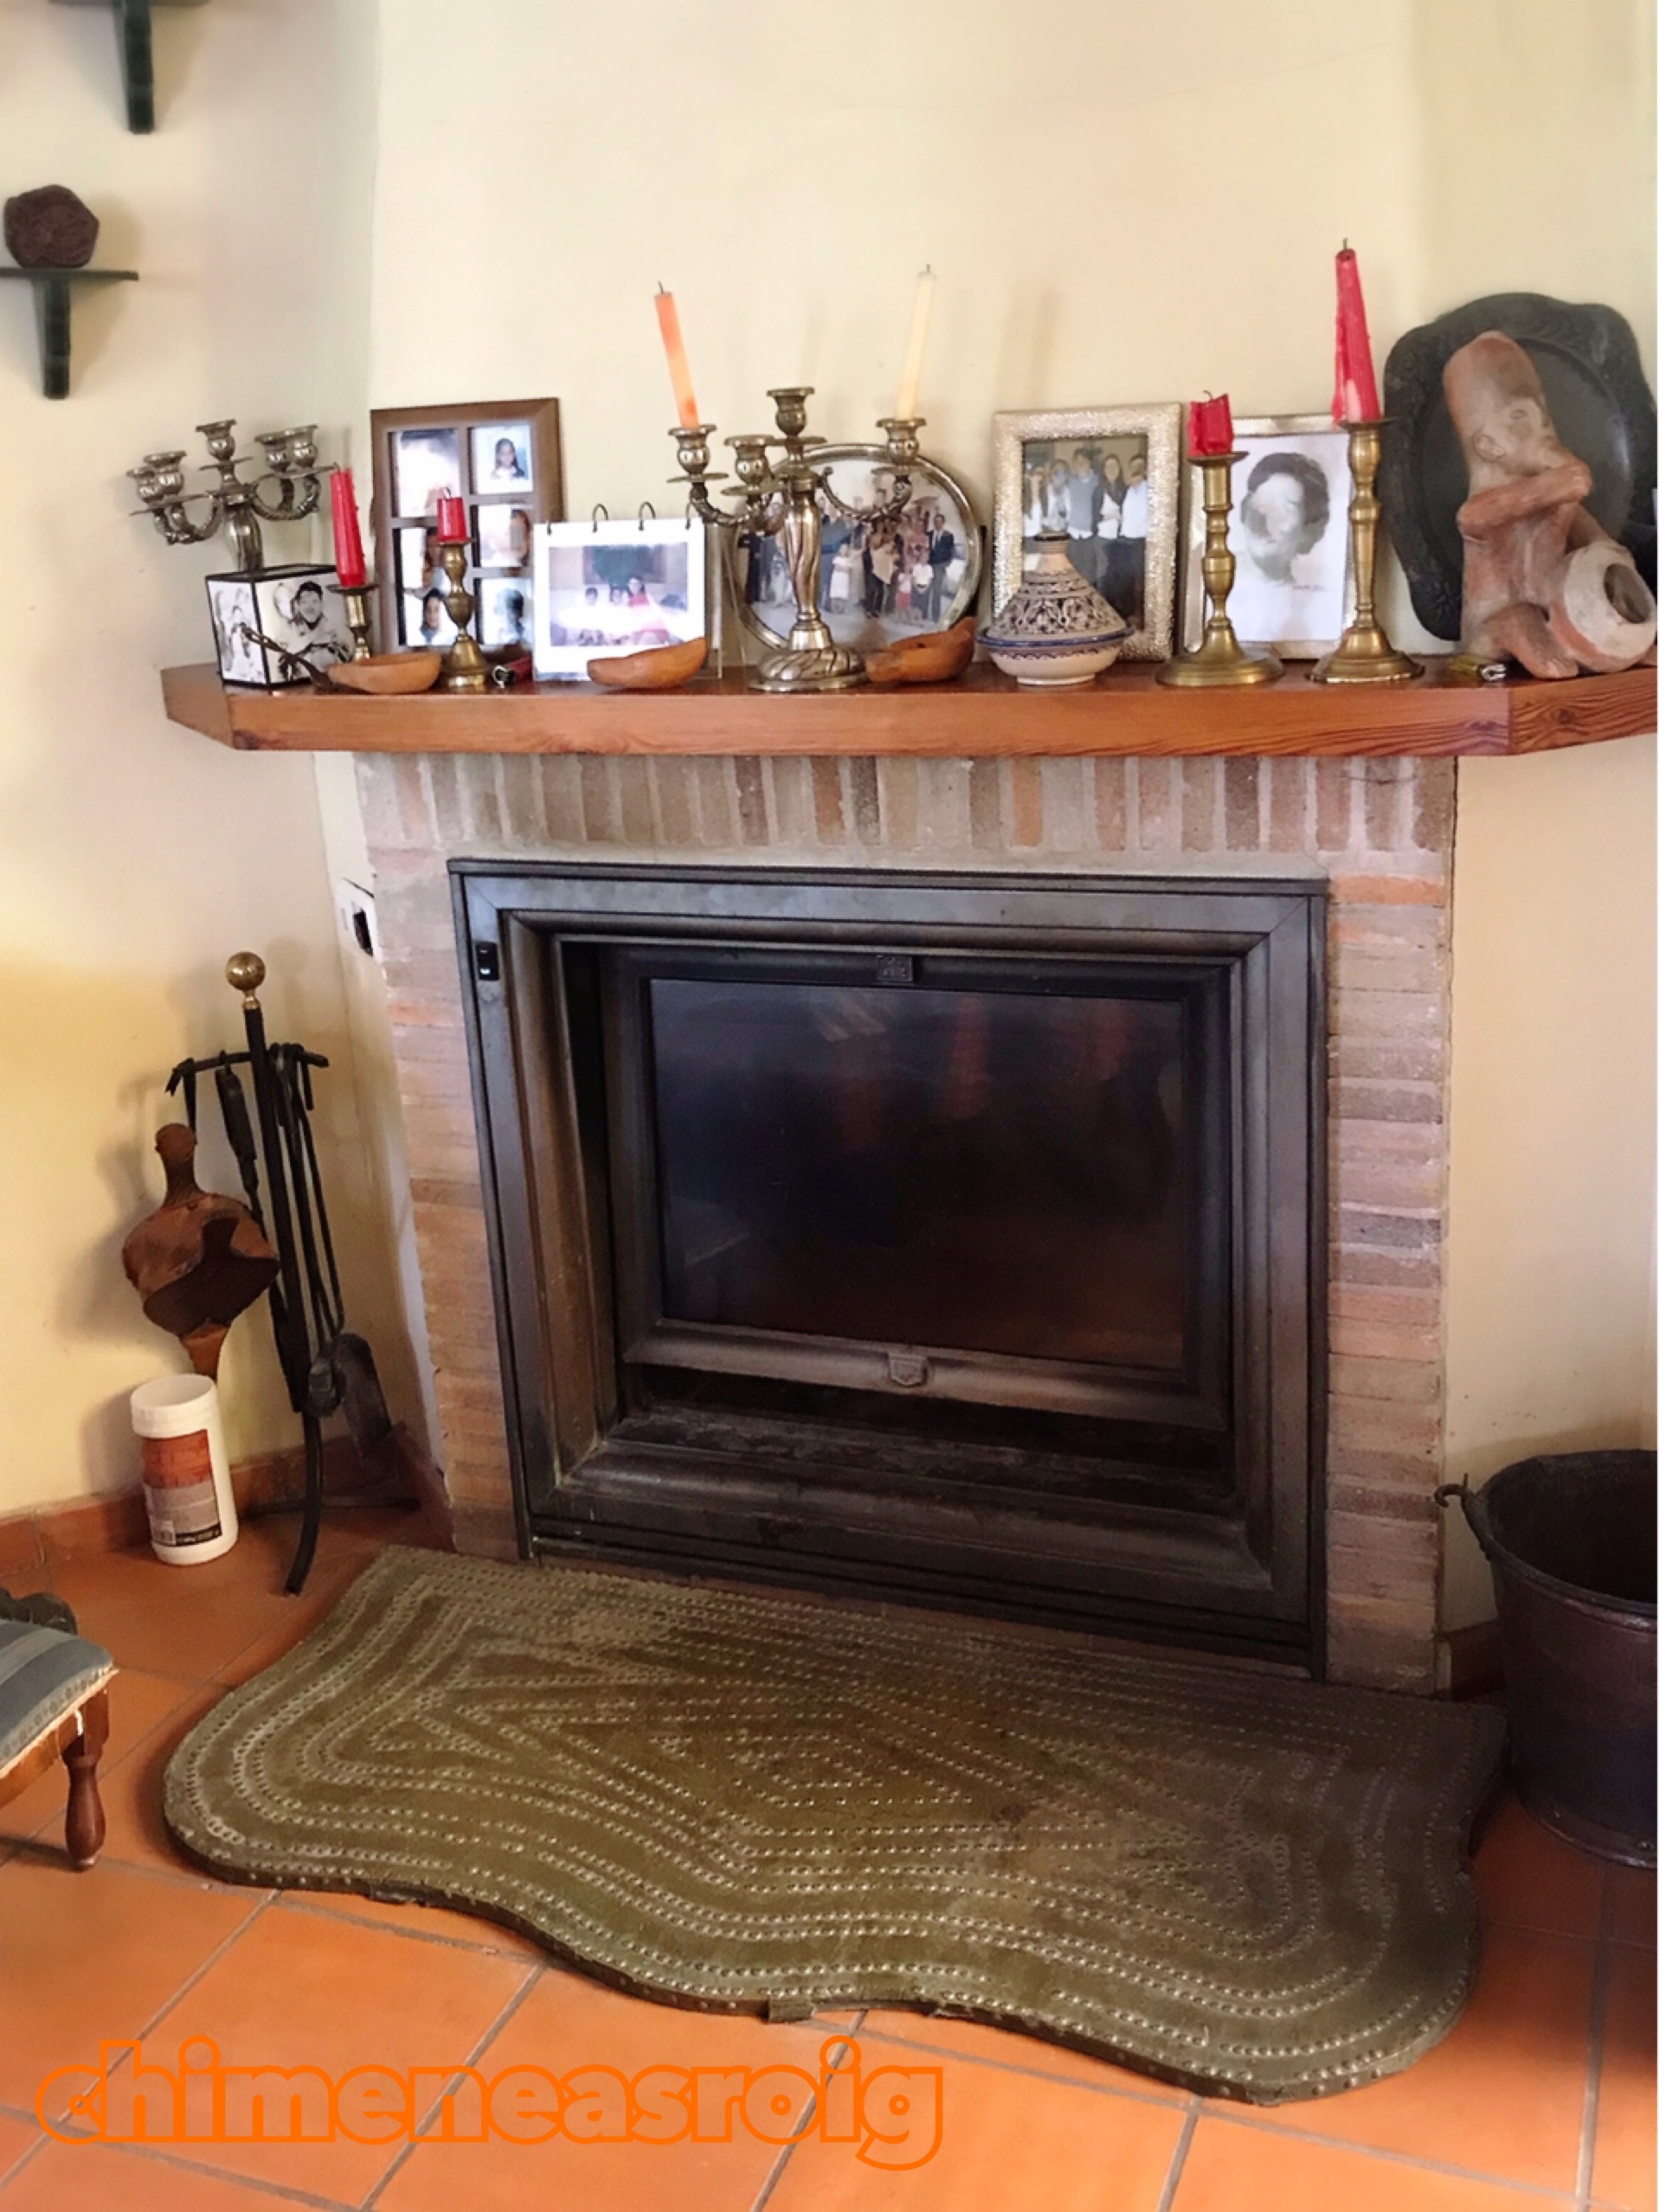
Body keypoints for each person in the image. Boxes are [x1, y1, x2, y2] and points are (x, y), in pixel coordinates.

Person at [1231, 449, 1334, 645]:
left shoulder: (1310, 608)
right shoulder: (1209, 580)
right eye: (1263, 502)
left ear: (1307, 532)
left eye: (1285, 509)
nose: (1267, 518)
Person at [1117, 453, 1150, 627]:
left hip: (1141, 541)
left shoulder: (1150, 490)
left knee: (1140, 582)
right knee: (1127, 580)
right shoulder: (1127, 490)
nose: (1136, 470)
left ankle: (1141, 615)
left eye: (1140, 466)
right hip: (1126, 540)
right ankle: (1129, 615)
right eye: (1133, 466)